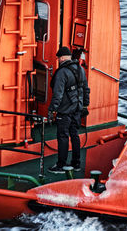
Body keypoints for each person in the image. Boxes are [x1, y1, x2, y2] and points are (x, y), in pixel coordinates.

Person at [48, 46, 90, 174]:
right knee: (74, 135)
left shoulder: (62, 72)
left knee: (63, 136)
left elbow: (58, 94)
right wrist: (85, 105)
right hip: (77, 108)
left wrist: (52, 110)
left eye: (58, 58)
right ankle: (76, 163)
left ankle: (61, 165)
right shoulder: (80, 69)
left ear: (61, 58)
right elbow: (85, 89)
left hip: (65, 110)